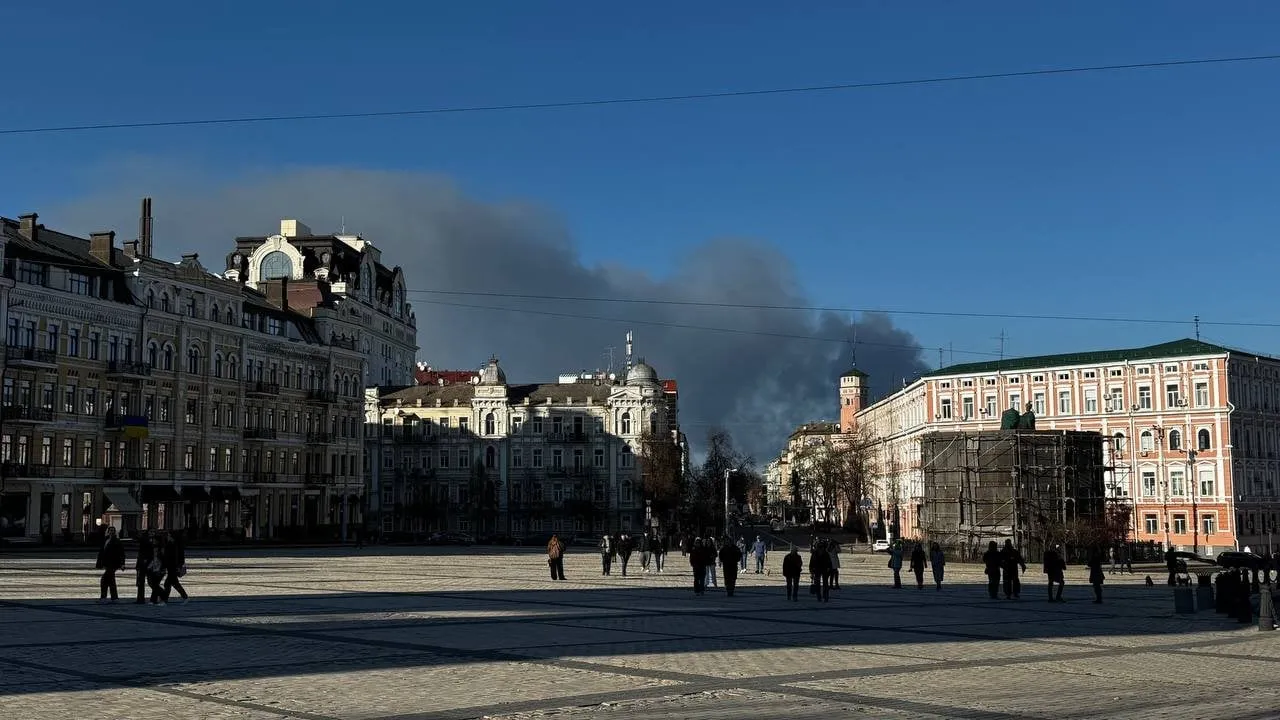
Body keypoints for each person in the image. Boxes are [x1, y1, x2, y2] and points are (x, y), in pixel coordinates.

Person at [95, 526, 126, 604]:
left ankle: (104, 597)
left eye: (113, 530)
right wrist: (100, 563)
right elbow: (101, 552)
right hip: (107, 563)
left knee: (104, 580)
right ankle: (114, 598)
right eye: (110, 530)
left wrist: (122, 564)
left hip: (113, 563)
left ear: (115, 532)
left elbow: (121, 553)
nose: (111, 532)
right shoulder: (106, 540)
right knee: (111, 581)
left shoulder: (117, 541)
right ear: (108, 531)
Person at [161, 532, 189, 604]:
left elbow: (180, 557)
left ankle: (164, 600)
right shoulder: (169, 544)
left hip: (174, 567)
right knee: (174, 583)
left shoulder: (176, 546)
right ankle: (185, 597)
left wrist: (179, 566)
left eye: (169, 535)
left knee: (168, 584)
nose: (167, 537)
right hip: (170, 566)